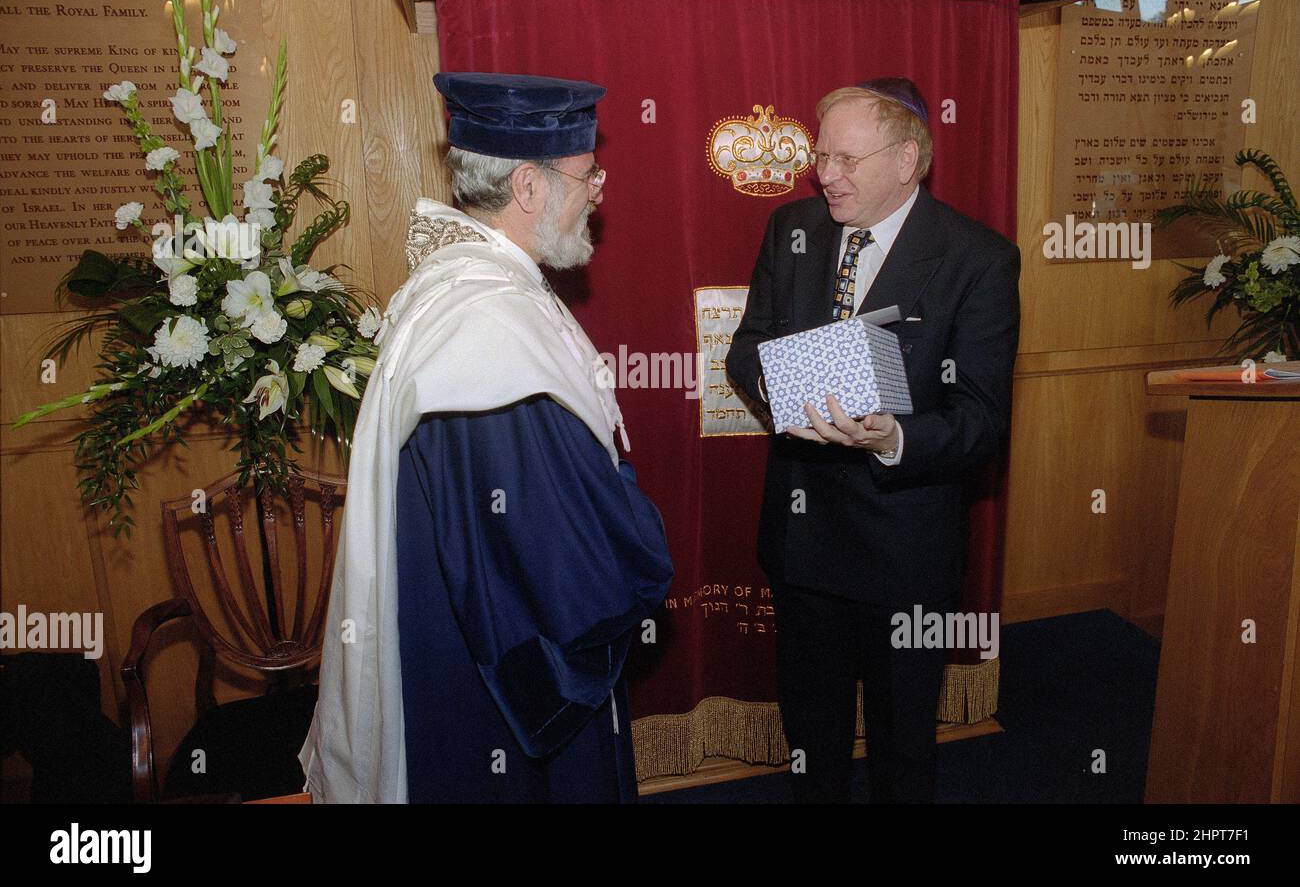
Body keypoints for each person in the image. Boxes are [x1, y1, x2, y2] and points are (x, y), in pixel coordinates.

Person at [299, 72, 674, 803]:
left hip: (457, 642)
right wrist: (629, 512)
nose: (598, 189)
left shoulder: (470, 288)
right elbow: (559, 568)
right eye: (586, 173)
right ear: (529, 187)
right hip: (497, 697)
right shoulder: (486, 330)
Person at [726, 78, 1020, 803]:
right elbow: (745, 348)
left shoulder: (978, 258)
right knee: (813, 739)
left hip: (904, 552)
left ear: (907, 159)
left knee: (901, 745)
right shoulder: (790, 229)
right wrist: (778, 387)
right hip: (803, 542)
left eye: (847, 159)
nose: (825, 174)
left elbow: (982, 420)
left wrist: (893, 436)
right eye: (820, 155)